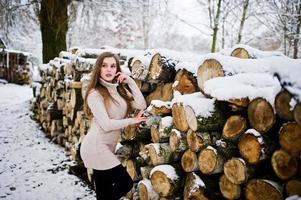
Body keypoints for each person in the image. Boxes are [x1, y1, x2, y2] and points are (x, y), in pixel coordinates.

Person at [80, 52, 147, 200]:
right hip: (96, 147)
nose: (109, 69)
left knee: (104, 193)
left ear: (117, 69)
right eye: (104, 66)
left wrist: (129, 81)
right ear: (99, 69)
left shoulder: (118, 90)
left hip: (107, 146)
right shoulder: (95, 94)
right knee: (125, 183)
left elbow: (141, 104)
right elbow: (106, 124)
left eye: (112, 66)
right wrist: (132, 121)